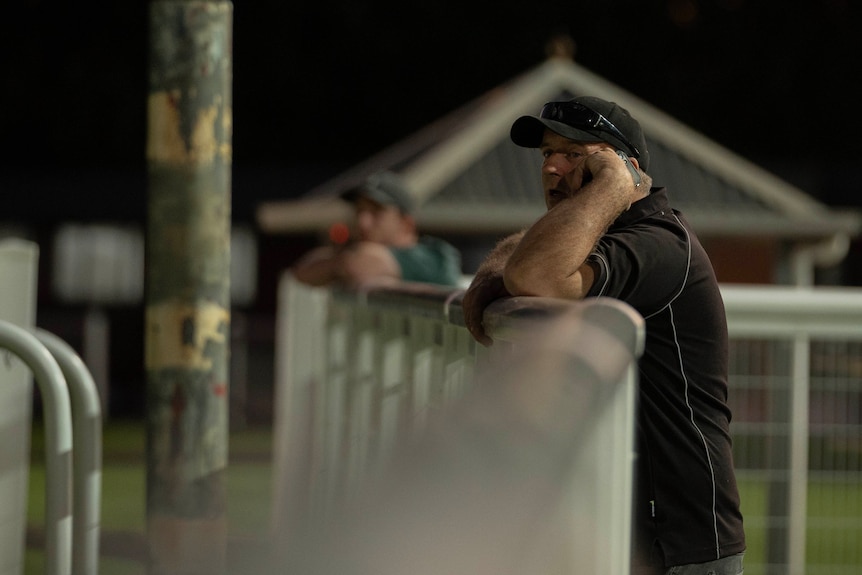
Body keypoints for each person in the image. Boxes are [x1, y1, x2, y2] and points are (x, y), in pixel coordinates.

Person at [461, 96, 746, 575]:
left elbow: (534, 275)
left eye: (574, 154)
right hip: (631, 531)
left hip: (682, 544)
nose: (551, 167)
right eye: (546, 154)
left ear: (623, 168)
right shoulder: (605, 237)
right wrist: (503, 270)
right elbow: (524, 259)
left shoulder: (657, 242)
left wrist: (614, 184)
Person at [291, 170, 462, 288]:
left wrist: (338, 262)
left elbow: (358, 264)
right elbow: (303, 271)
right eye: (359, 211)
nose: (363, 221)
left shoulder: (435, 256)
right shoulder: (357, 250)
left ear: (406, 223)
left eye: (376, 211)